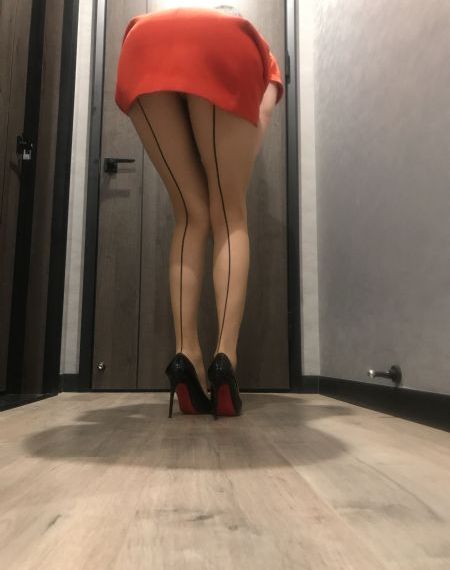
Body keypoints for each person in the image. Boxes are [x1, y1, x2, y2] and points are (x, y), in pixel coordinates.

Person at [114, 5, 284, 419]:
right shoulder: (266, 60)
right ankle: (225, 358)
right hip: (224, 50)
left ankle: (185, 354)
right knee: (230, 212)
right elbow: (259, 120)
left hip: (141, 45)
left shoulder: (167, 24)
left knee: (191, 214)